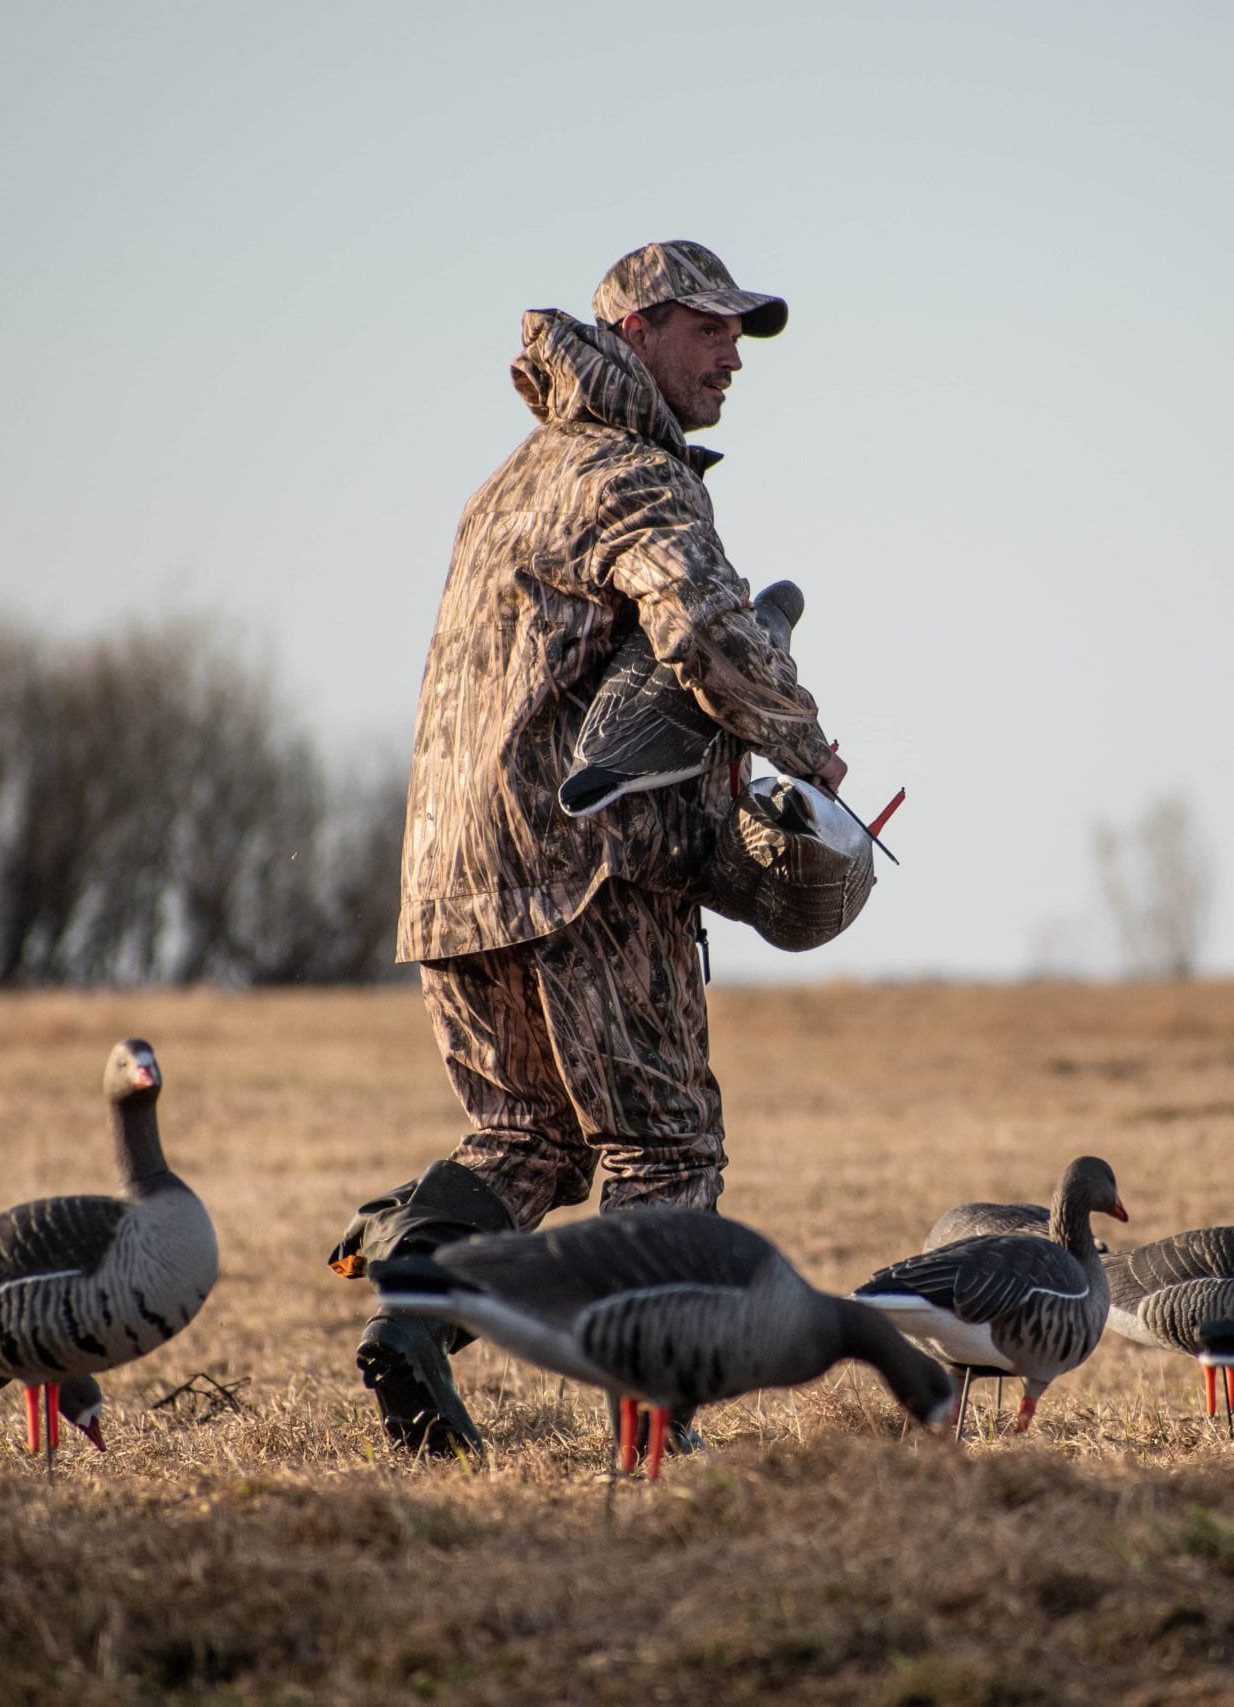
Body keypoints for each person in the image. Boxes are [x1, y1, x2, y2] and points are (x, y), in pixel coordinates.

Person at [332, 241, 848, 1453]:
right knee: (663, 1148)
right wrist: (808, 751)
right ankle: (653, 1421)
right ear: (634, 331)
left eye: (738, 336)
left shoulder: (513, 478)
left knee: (525, 1139)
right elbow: (710, 631)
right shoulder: (632, 477)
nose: (731, 358)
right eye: (708, 330)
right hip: (588, 874)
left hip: (455, 880)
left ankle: (411, 1326)